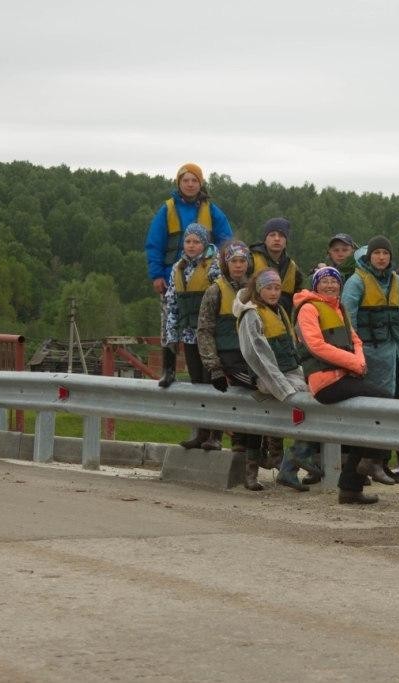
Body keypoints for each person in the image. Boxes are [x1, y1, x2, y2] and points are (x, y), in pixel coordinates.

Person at [293, 266, 398, 503]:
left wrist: (358, 362)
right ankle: (373, 460)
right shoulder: (308, 309)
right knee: (386, 402)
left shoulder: (338, 308)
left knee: (366, 422)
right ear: (315, 285)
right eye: (325, 281)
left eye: (334, 281)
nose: (330, 285)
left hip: (344, 377)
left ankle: (350, 489)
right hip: (324, 382)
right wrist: (353, 362)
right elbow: (315, 346)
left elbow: (355, 339)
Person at [342, 236, 399, 481]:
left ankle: (378, 461)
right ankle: (366, 462)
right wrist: (354, 359)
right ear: (369, 257)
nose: (381, 257)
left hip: (395, 357)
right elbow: (349, 324)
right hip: (368, 356)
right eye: (376, 253)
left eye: (385, 253)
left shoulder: (398, 284)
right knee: (371, 410)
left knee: (390, 407)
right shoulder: (356, 283)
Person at [196, 240, 277, 489]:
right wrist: (215, 367)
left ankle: (263, 456)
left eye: (243, 261)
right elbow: (205, 330)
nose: (239, 265)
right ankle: (253, 466)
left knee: (260, 401)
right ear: (226, 264)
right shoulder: (215, 291)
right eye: (234, 261)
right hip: (229, 359)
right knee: (260, 387)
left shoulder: (255, 291)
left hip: (252, 356)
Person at [145, 163, 233, 383]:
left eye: (194, 180)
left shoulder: (212, 211)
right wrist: (157, 274)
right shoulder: (167, 210)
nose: (190, 184)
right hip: (172, 276)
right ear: (179, 183)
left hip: (205, 278)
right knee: (170, 322)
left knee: (205, 326)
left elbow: (226, 241)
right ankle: (169, 368)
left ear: (200, 183)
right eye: (186, 180)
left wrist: (225, 269)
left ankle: (210, 369)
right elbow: (154, 243)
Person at [232, 269, 314, 492]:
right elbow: (258, 356)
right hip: (267, 379)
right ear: (258, 290)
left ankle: (290, 463)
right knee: (260, 422)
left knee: (313, 404)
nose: (274, 292)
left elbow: (291, 349)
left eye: (277, 288)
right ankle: (255, 472)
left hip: (289, 374)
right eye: (268, 288)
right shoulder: (252, 314)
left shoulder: (279, 311)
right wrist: (283, 388)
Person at [160, 223, 221, 449]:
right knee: (197, 384)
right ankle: (201, 433)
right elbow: (172, 304)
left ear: (204, 243)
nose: (192, 245)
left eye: (196, 241)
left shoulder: (214, 267)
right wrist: (171, 336)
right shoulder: (179, 267)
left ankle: (216, 435)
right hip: (188, 336)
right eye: (188, 241)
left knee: (213, 383)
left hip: (209, 336)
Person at [249, 217, 303, 315]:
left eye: (281, 235)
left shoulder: (292, 267)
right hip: (256, 319)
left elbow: (299, 296)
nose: (277, 238)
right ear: (265, 239)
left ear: (286, 241)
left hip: (282, 321)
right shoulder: (251, 260)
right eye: (272, 235)